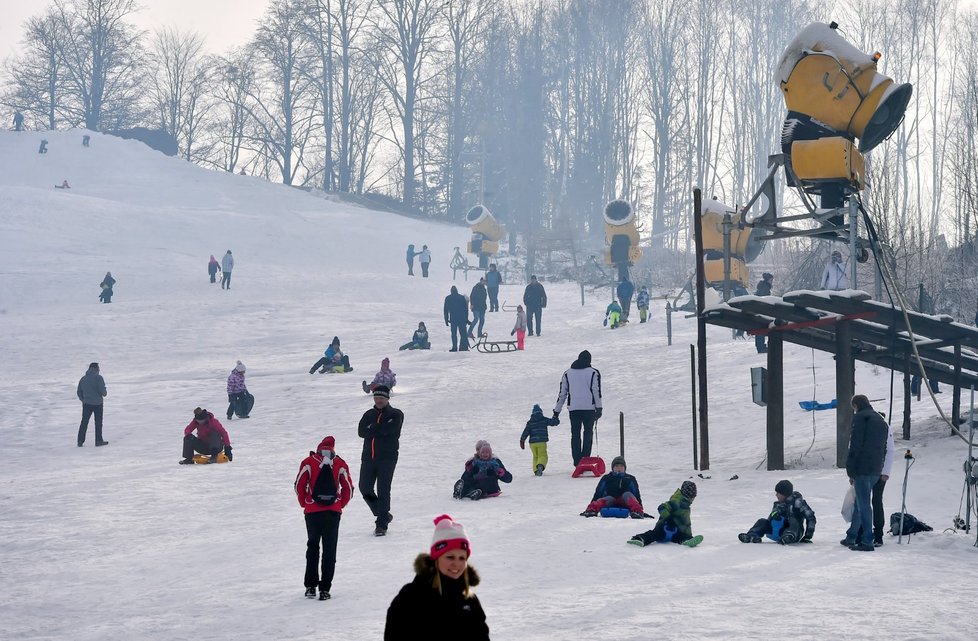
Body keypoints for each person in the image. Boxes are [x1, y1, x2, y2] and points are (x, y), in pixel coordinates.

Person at [384, 514, 489, 640]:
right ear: (436, 559)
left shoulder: (469, 599)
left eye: (462, 558)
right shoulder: (412, 596)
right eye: (450, 557)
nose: (457, 564)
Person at [294, 435, 354, 601]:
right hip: (332, 512)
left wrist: (305, 502)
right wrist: (339, 504)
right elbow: (348, 487)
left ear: (319, 448)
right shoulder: (340, 463)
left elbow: (299, 485)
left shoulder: (308, 461)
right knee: (330, 549)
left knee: (312, 546)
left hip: (312, 512)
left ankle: (310, 587)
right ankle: (325, 589)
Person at [841, 394, 889, 551]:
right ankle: (851, 536)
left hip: (862, 469)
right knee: (860, 503)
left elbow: (855, 445)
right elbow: (885, 447)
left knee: (864, 505)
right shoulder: (881, 420)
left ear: (855, 405)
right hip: (876, 469)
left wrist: (850, 468)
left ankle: (867, 540)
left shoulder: (860, 418)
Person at [358, 385, 403, 536]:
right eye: (376, 398)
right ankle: (383, 514)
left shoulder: (396, 414)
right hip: (368, 457)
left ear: (387, 399)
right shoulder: (368, 414)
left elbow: (390, 431)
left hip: (387, 458)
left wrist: (374, 428)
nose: (378, 400)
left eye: (381, 398)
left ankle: (381, 525)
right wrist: (378, 428)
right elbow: (361, 432)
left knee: (383, 490)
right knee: (365, 488)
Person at [553, 349, 602, 467]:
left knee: (575, 434)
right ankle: (585, 459)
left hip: (574, 409)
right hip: (589, 408)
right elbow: (596, 391)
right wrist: (599, 408)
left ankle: (577, 461)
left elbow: (562, 394)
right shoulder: (594, 373)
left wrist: (556, 412)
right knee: (588, 433)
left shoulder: (567, 373)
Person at [737, 480, 816, 544]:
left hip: (795, 533)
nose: (776, 495)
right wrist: (774, 514)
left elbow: (811, 517)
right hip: (778, 532)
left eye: (778, 493)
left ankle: (788, 536)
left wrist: (807, 537)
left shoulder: (799, 503)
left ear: (784, 494)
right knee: (762, 521)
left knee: (793, 520)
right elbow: (771, 519)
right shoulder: (778, 504)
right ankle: (751, 536)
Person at [627, 481, 702, 547]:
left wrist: (689, 535)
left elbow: (686, 524)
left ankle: (687, 540)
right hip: (664, 527)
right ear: (689, 495)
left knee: (681, 536)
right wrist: (668, 518)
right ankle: (639, 539)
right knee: (655, 534)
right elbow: (662, 507)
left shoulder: (686, 507)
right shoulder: (676, 502)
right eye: (694, 496)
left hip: (676, 532)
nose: (694, 498)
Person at [858, 417, 896, 547]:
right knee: (868, 501)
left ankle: (876, 533)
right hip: (870, 470)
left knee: (873, 501)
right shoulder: (882, 426)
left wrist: (885, 471)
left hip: (874, 471)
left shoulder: (880, 427)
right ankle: (867, 532)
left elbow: (890, 450)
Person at [580, 456, 645, 518]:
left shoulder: (630, 478)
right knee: (607, 498)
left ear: (625, 468)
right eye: (616, 466)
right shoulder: (607, 478)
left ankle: (637, 512)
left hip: (624, 501)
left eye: (621, 466)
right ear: (613, 468)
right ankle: (591, 510)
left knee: (627, 494)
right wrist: (591, 506)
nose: (619, 468)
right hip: (610, 501)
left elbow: (636, 495)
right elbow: (598, 493)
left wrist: (641, 509)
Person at [520, 404, 559, 475]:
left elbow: (525, 432)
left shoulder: (530, 422)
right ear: (541, 412)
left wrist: (522, 440)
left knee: (535, 456)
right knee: (543, 455)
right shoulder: (544, 419)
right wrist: (556, 419)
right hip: (541, 442)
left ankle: (535, 470)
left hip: (532, 443)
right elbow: (553, 422)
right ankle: (540, 466)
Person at [77, 362, 108, 446]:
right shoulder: (99, 378)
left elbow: (79, 391)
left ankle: (80, 441)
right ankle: (98, 441)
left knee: (84, 422)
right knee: (98, 422)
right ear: (96, 368)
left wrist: (83, 399)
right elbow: (104, 393)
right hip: (98, 403)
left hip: (86, 403)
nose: (99, 369)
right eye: (98, 368)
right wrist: (104, 391)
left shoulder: (83, 378)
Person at [444, 285, 470, 352]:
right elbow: (466, 309)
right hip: (462, 318)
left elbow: (446, 310)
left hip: (453, 319)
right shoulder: (461, 297)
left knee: (454, 334)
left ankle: (454, 347)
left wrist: (446, 319)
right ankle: (464, 347)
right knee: (463, 334)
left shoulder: (448, 298)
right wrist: (466, 319)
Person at [754, 272, 774, 353]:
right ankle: (761, 347)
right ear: (768, 279)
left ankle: (761, 346)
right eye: (771, 280)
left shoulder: (762, 287)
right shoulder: (765, 288)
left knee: (760, 329)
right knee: (761, 329)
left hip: (759, 311)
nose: (772, 281)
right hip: (761, 312)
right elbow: (764, 300)